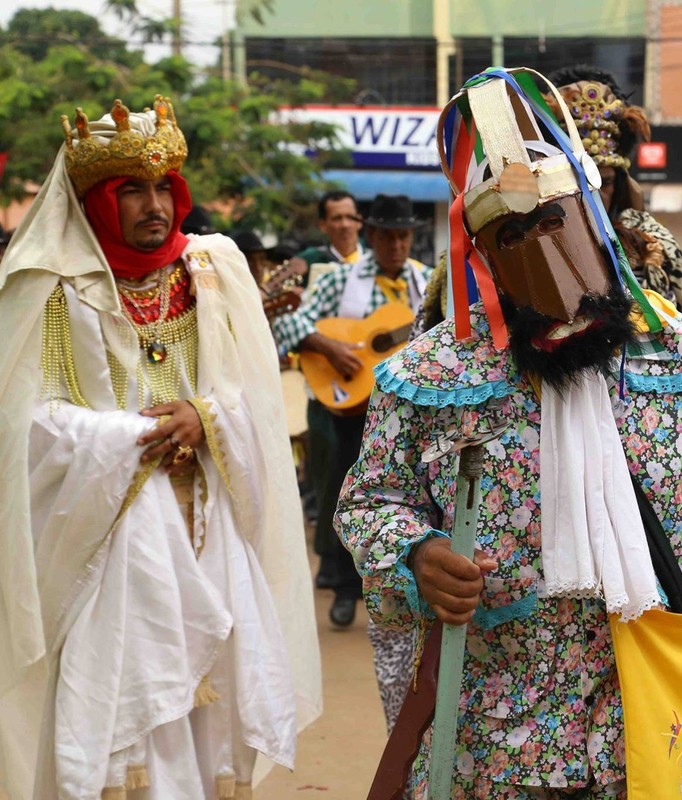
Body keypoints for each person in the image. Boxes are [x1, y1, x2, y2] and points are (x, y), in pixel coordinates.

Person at [336, 66, 682, 799]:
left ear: (593, 217)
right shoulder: (433, 376)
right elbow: (368, 505)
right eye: (513, 233)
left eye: (555, 221)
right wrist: (417, 554)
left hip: (663, 727)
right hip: (496, 733)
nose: (543, 252)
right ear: (481, 252)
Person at [0, 96, 320, 800]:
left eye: (162, 188)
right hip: (105, 538)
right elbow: (25, 421)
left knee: (210, 700)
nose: (154, 205)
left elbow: (254, 398)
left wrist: (205, 418)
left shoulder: (213, 269)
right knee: (127, 708)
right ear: (93, 200)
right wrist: (133, 436)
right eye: (131, 190)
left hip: (209, 521)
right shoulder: (49, 288)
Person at [273, 193, 428, 629]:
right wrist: (329, 348)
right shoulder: (340, 279)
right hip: (351, 411)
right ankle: (343, 588)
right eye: (388, 237)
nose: (397, 245)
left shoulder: (427, 280)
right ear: (372, 235)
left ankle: (395, 587)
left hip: (408, 413)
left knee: (406, 499)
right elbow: (288, 322)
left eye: (404, 237)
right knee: (344, 494)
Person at [546, 64, 682, 317]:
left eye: (605, 182)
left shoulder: (652, 245)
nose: (591, 194)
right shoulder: (528, 244)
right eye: (576, 183)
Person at [295, 189, 369, 286]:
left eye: (350, 217)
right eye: (337, 218)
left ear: (359, 221)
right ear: (323, 225)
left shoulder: (375, 258)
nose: (345, 225)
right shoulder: (309, 260)